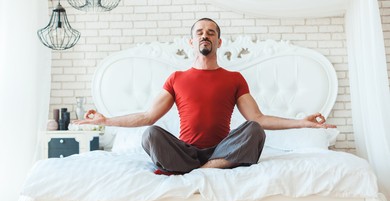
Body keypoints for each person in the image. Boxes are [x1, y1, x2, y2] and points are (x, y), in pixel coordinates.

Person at [74, 18, 336, 175]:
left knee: (254, 129)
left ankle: (203, 171)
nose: (205, 35)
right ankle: (202, 168)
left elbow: (258, 118)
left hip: (222, 150)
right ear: (191, 42)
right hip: (185, 152)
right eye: (199, 32)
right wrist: (105, 120)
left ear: (219, 42)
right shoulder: (176, 78)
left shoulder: (234, 78)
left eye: (211, 32)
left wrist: (303, 122)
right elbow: (146, 116)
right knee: (151, 133)